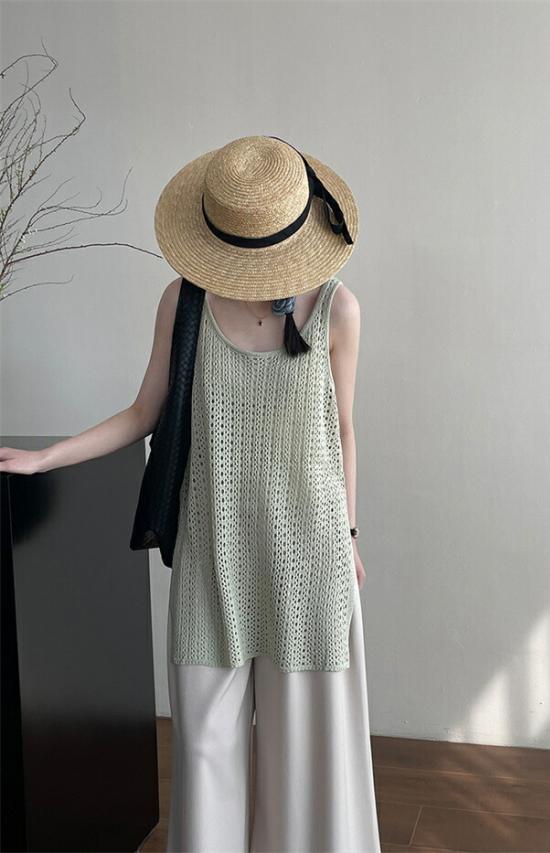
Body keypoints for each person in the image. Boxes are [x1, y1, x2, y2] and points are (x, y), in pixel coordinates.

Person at [0, 134, 381, 852]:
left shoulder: (339, 309)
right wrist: (48, 456)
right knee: (206, 751)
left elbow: (343, 432)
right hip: (213, 557)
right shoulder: (185, 302)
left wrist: (350, 535)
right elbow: (142, 412)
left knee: (308, 761)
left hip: (311, 557)